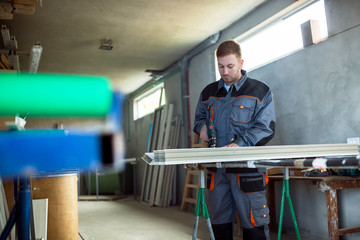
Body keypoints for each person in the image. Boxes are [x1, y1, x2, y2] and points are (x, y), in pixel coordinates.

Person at [193, 40, 276, 240]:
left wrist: (239, 144)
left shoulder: (260, 91)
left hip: (246, 170)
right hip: (217, 170)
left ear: (241, 62)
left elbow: (266, 128)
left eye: (230, 66)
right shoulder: (208, 93)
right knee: (219, 226)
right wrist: (202, 128)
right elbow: (198, 119)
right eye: (220, 66)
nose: (225, 72)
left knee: (254, 226)